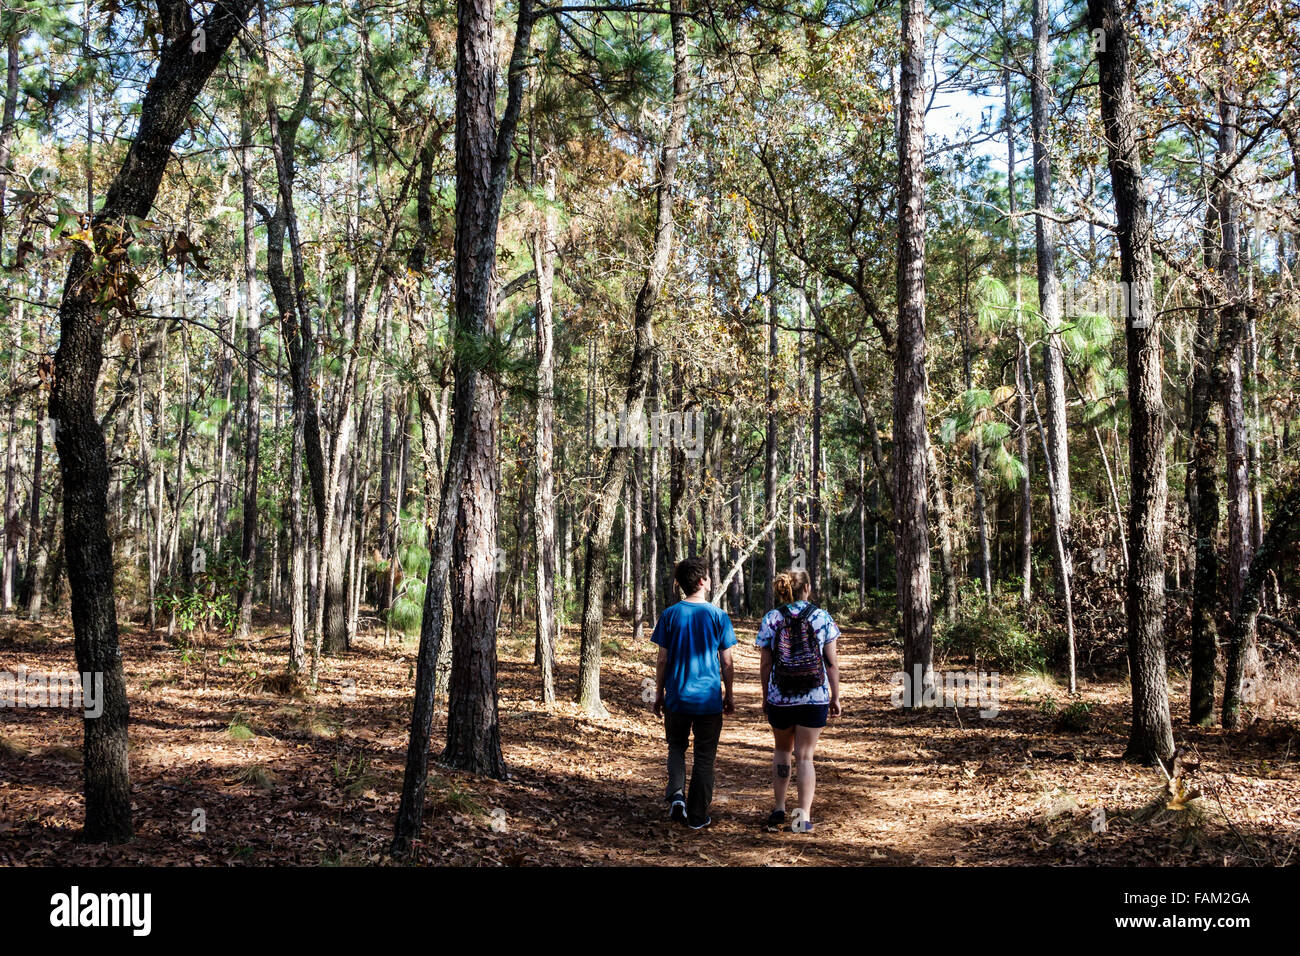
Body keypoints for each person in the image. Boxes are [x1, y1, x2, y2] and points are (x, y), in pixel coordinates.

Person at [650, 556, 737, 829]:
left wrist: (659, 693)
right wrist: (729, 694)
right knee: (704, 757)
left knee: (676, 746)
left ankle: (677, 795)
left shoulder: (670, 615)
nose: (710, 581)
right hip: (708, 701)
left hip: (677, 697)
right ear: (701, 581)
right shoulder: (718, 616)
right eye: (709, 576)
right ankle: (698, 815)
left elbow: (662, 659)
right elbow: (727, 662)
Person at [755, 568, 841, 833]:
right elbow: (831, 663)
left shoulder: (772, 618)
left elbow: (766, 662)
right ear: (807, 588)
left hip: (780, 697)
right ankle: (802, 818)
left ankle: (779, 808)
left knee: (782, 751)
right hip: (813, 697)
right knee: (805, 757)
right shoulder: (821, 617)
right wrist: (835, 697)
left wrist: (766, 695)